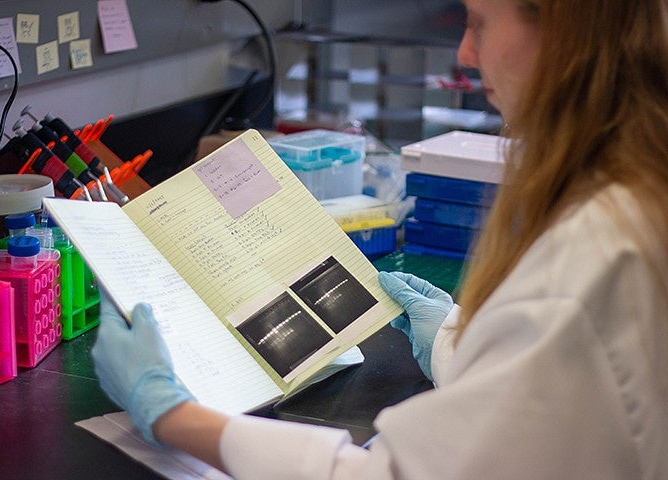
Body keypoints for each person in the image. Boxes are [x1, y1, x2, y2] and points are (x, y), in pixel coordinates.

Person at [91, 0, 668, 477]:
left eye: (479, 22)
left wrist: (170, 413)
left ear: (564, 34)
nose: (465, 55)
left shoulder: (590, 259)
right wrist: (452, 342)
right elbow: (555, 403)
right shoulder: (634, 195)